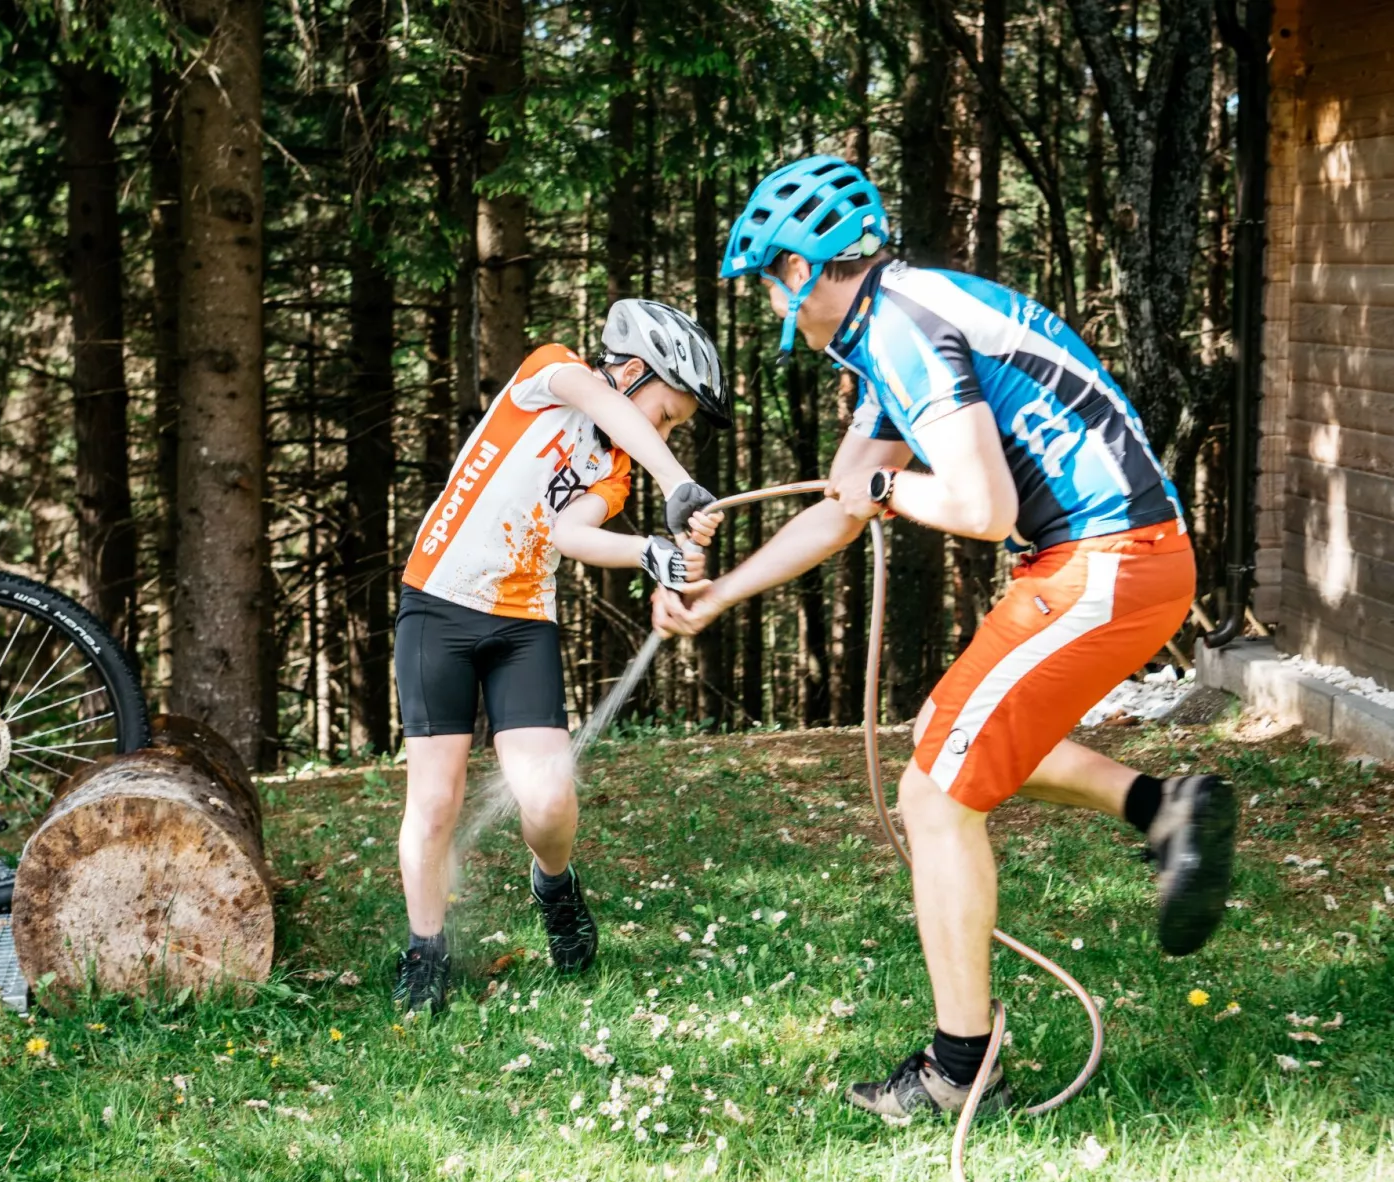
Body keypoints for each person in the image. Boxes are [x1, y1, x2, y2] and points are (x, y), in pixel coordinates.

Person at [653, 155, 1237, 1117]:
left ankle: (962, 1072)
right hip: (1113, 559)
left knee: (932, 796)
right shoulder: (893, 327)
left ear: (802, 269)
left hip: (1109, 560)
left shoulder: (908, 327)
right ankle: (1163, 807)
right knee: (950, 732)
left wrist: (887, 489)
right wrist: (722, 593)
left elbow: (974, 502)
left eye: (769, 282)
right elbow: (839, 508)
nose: (771, 307)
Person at [392, 299, 729, 1016]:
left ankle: (555, 885)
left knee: (547, 799)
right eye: (666, 414)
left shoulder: (612, 469)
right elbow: (604, 403)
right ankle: (425, 950)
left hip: (521, 623)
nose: (660, 432)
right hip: (437, 604)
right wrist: (676, 481)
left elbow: (569, 534)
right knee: (436, 798)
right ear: (634, 371)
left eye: (669, 429)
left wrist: (652, 554)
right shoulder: (552, 372)